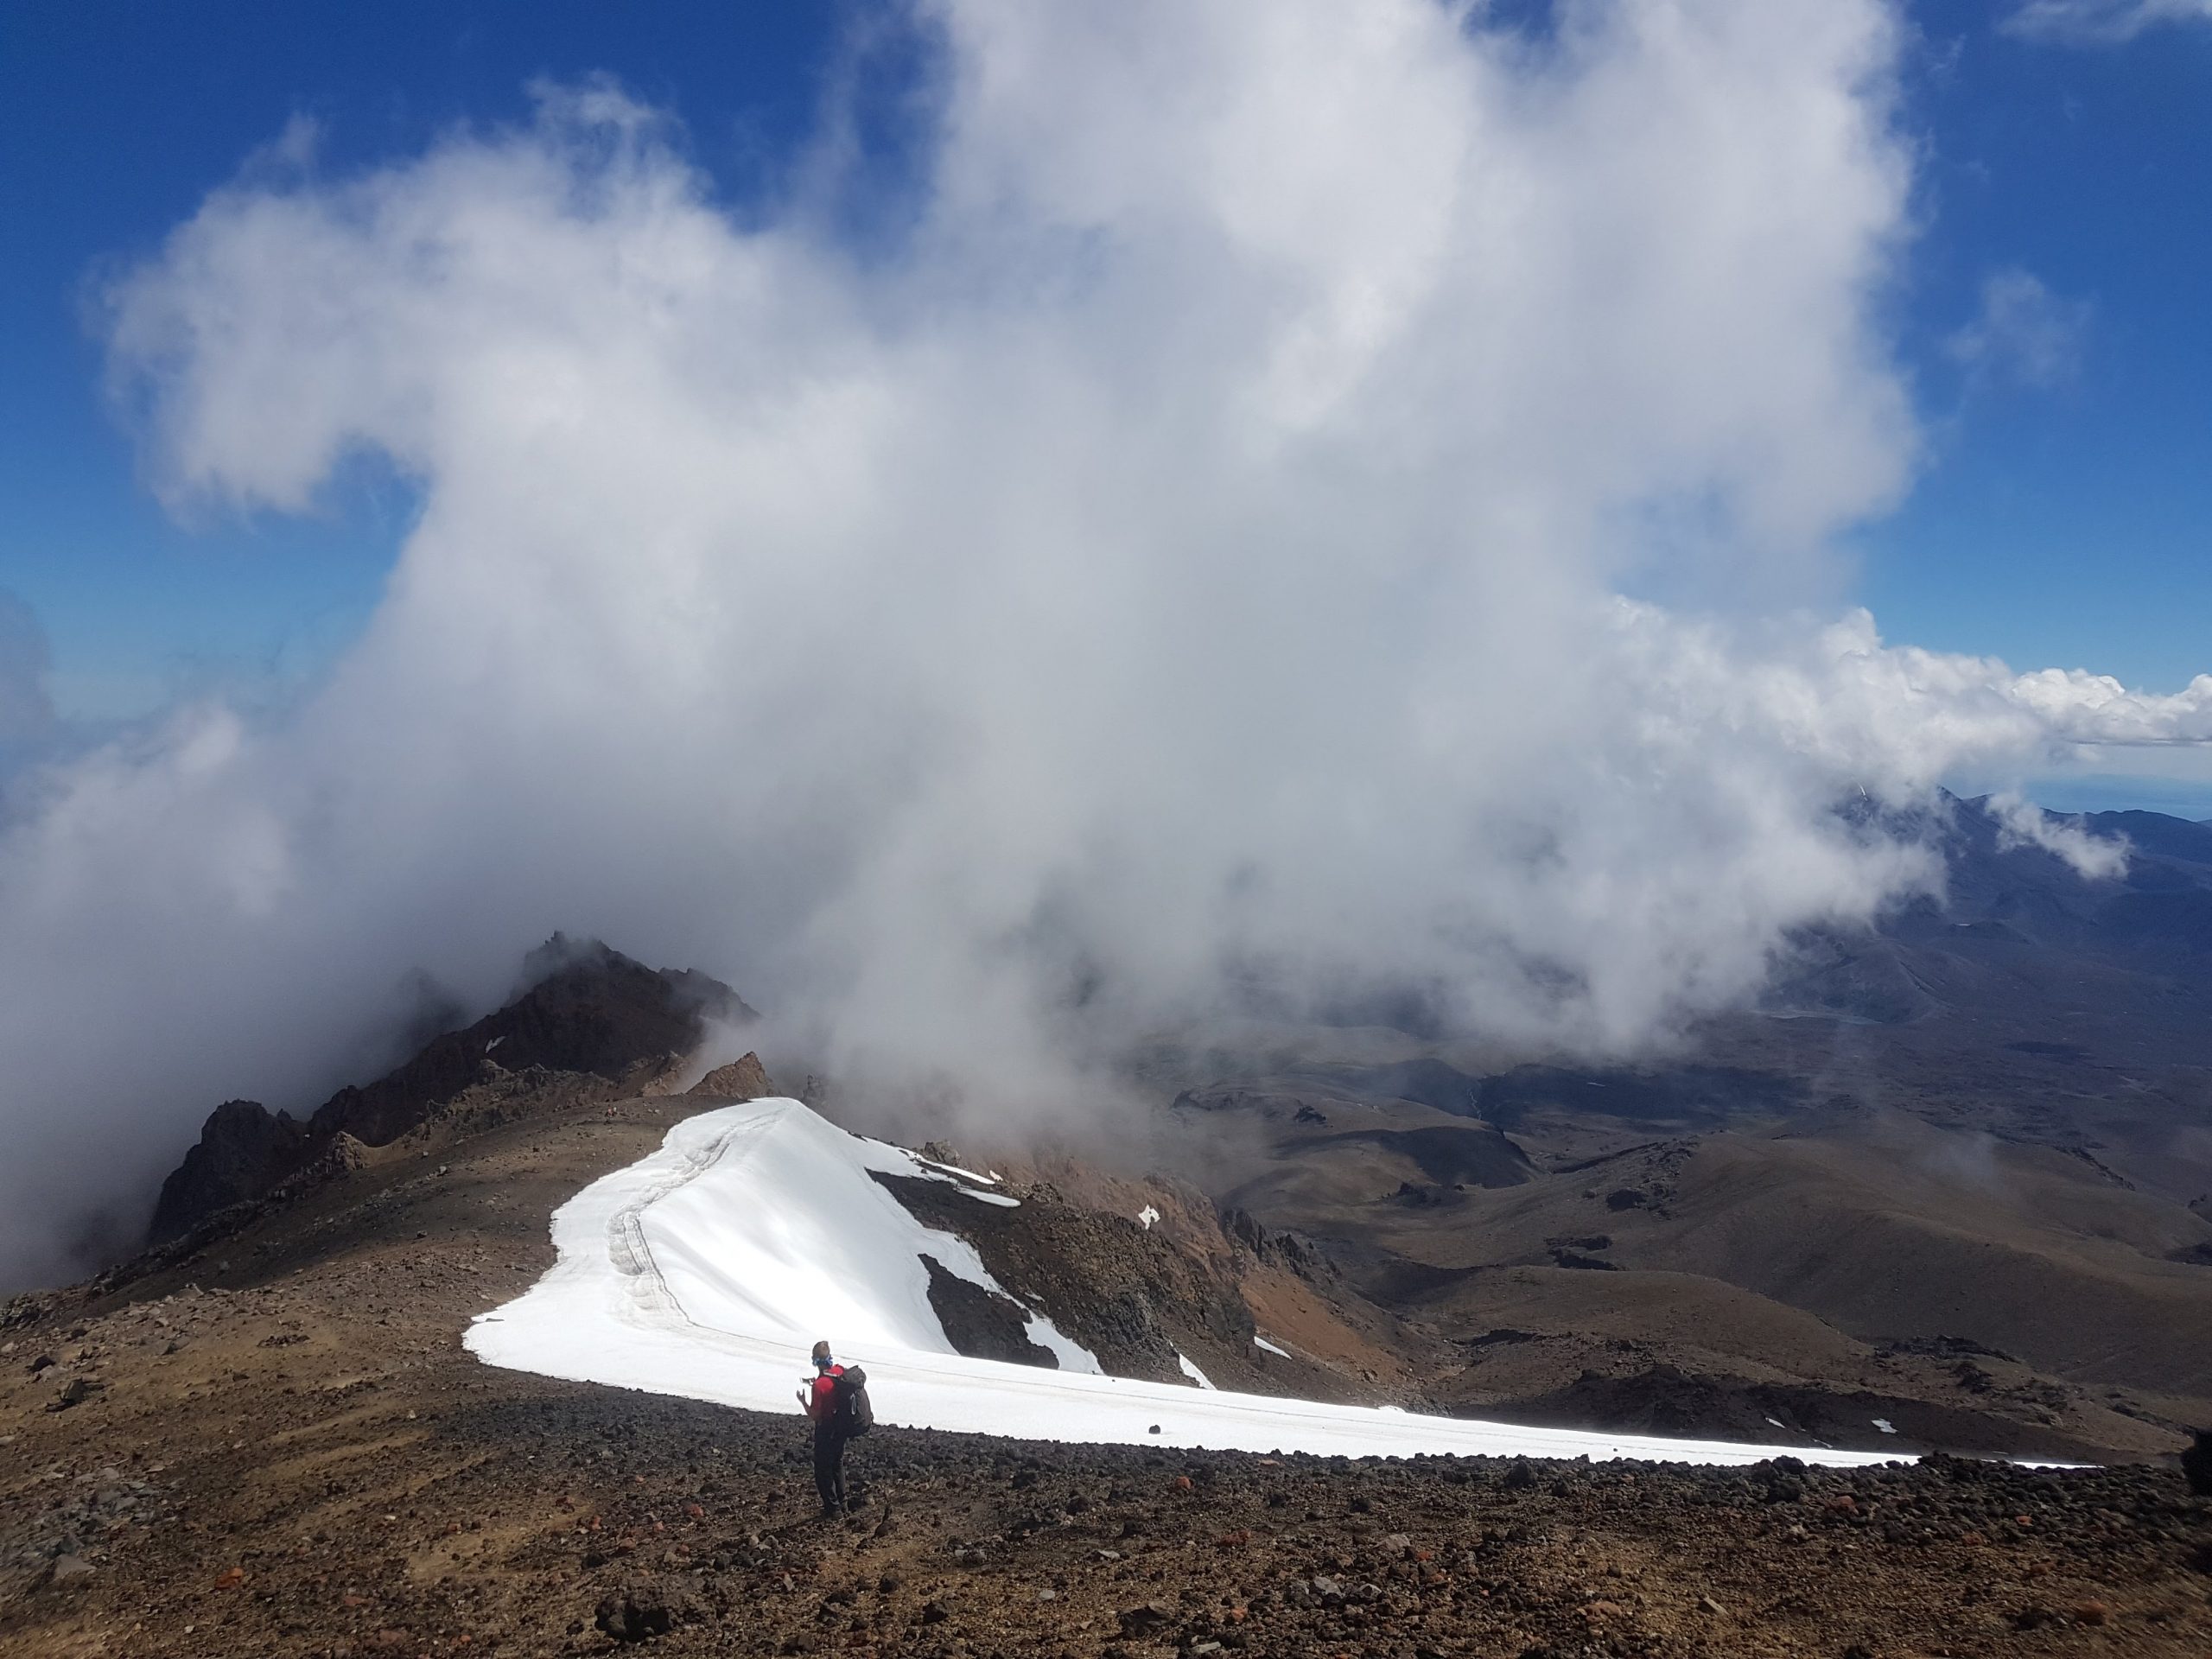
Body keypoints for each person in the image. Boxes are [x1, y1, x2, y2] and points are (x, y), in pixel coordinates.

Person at [798, 1339, 851, 1517]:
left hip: (826, 1429)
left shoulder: (820, 1386)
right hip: (841, 1426)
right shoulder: (840, 1372)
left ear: (815, 1361)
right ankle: (843, 1504)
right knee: (837, 1463)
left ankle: (833, 1509)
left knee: (822, 1469)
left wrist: (803, 1402)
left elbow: (816, 1415)